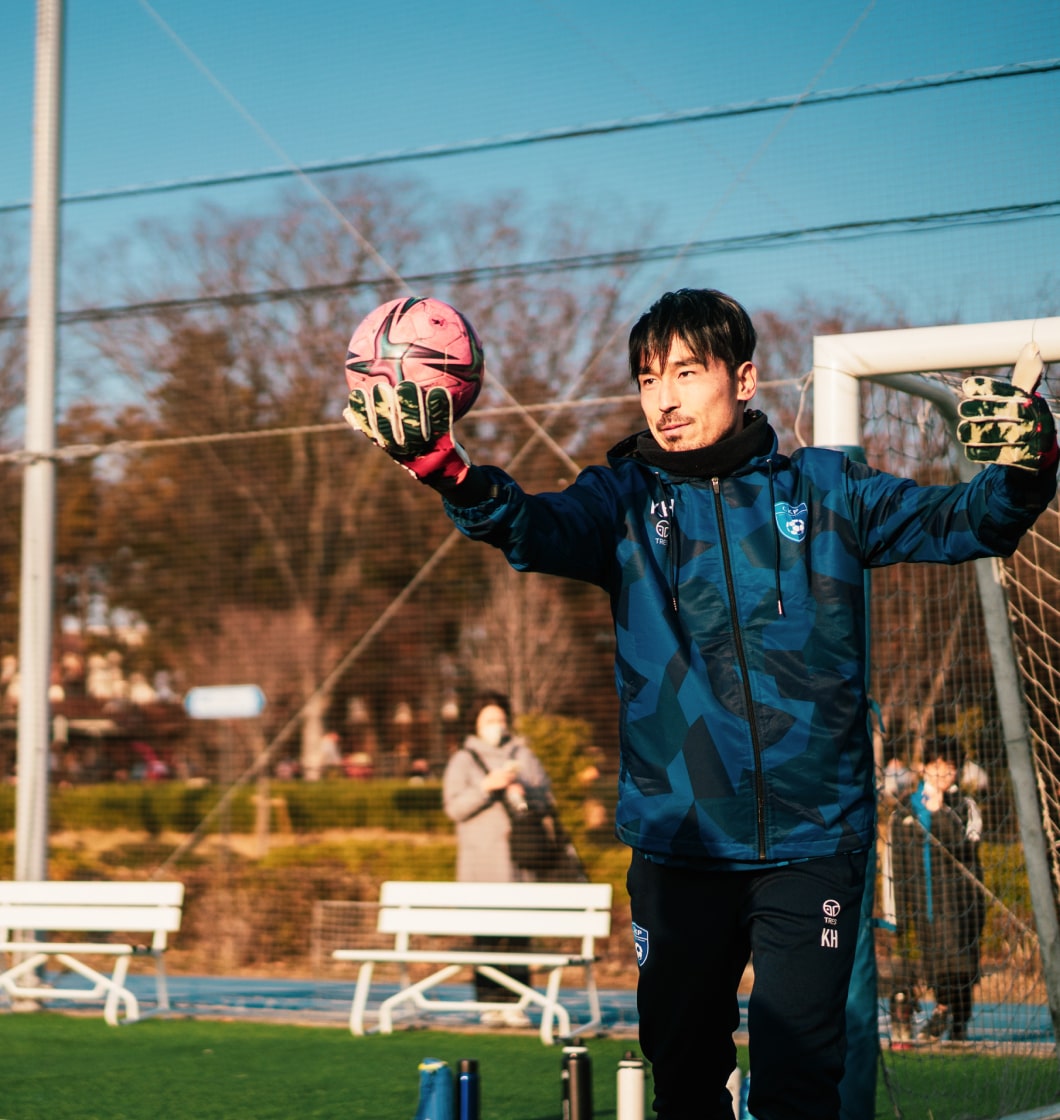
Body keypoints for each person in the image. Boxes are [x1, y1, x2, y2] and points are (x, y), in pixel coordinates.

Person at [344, 287, 1057, 1119]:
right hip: (680, 848)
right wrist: (448, 471)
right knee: (685, 1084)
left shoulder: (829, 491)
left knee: (798, 1085)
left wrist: (1027, 467)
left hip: (811, 844)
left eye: (687, 371)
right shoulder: (618, 504)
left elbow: (968, 521)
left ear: (744, 377)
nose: (666, 398)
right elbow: (527, 528)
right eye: (649, 378)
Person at [442, 692, 554, 1027]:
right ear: (476, 722)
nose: (496, 726)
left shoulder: (524, 755)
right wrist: (487, 788)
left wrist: (523, 791)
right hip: (480, 868)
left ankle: (517, 1003)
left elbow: (546, 799)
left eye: (501, 719)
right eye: (489, 719)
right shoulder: (462, 760)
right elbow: (454, 808)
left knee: (520, 937)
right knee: (486, 938)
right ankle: (489, 1002)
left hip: (520, 865)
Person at [890, 737, 987, 1043]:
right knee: (936, 967)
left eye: (950, 769)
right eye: (936, 767)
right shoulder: (906, 809)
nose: (943, 775)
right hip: (925, 904)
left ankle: (953, 1018)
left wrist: (940, 812)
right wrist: (900, 912)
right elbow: (898, 864)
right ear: (923, 768)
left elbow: (965, 845)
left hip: (961, 904)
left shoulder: (965, 805)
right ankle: (942, 1012)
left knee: (960, 965)